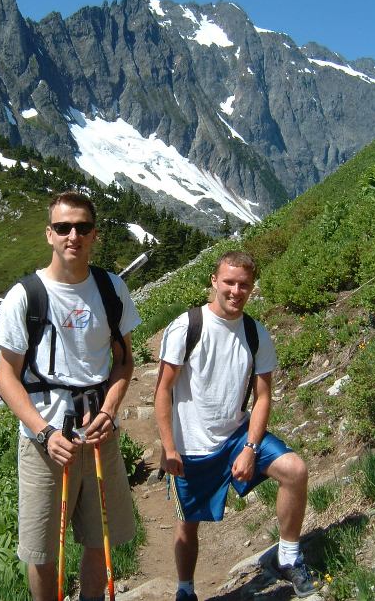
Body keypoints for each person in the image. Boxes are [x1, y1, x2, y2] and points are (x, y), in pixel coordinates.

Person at [0, 191, 141, 601]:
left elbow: (124, 360)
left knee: (98, 540)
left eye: (82, 227)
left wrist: (109, 410)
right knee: (41, 552)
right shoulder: (25, 296)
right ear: (49, 234)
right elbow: (7, 376)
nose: (72, 235)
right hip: (45, 441)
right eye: (63, 227)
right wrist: (42, 432)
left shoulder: (112, 290)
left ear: (95, 235)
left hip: (99, 435)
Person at [154, 251, 318, 600]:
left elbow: (263, 396)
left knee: (294, 470)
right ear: (214, 281)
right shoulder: (187, 326)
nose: (235, 290)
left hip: (236, 435)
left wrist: (250, 448)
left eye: (243, 284)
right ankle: (185, 588)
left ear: (252, 287)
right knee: (187, 523)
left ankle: (288, 557)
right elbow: (163, 391)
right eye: (229, 282)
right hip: (192, 444)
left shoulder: (255, 332)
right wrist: (168, 448)